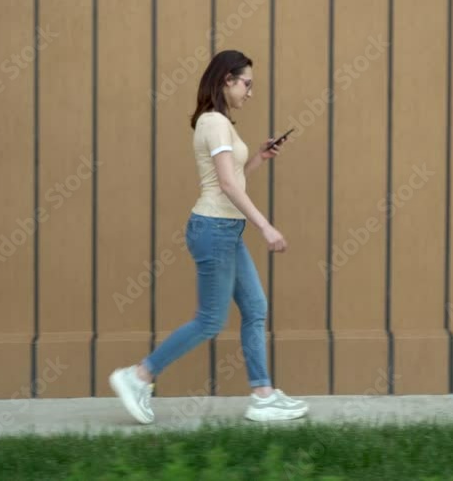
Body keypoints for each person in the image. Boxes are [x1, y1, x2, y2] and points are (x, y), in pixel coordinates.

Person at [109, 50, 309, 424]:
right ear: (226, 80)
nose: (250, 92)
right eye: (246, 84)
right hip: (214, 229)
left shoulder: (218, 122)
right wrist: (265, 226)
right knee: (210, 320)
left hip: (225, 230)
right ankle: (138, 376)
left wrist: (259, 157)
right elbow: (227, 186)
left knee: (255, 307)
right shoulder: (214, 122)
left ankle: (263, 395)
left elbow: (230, 177)